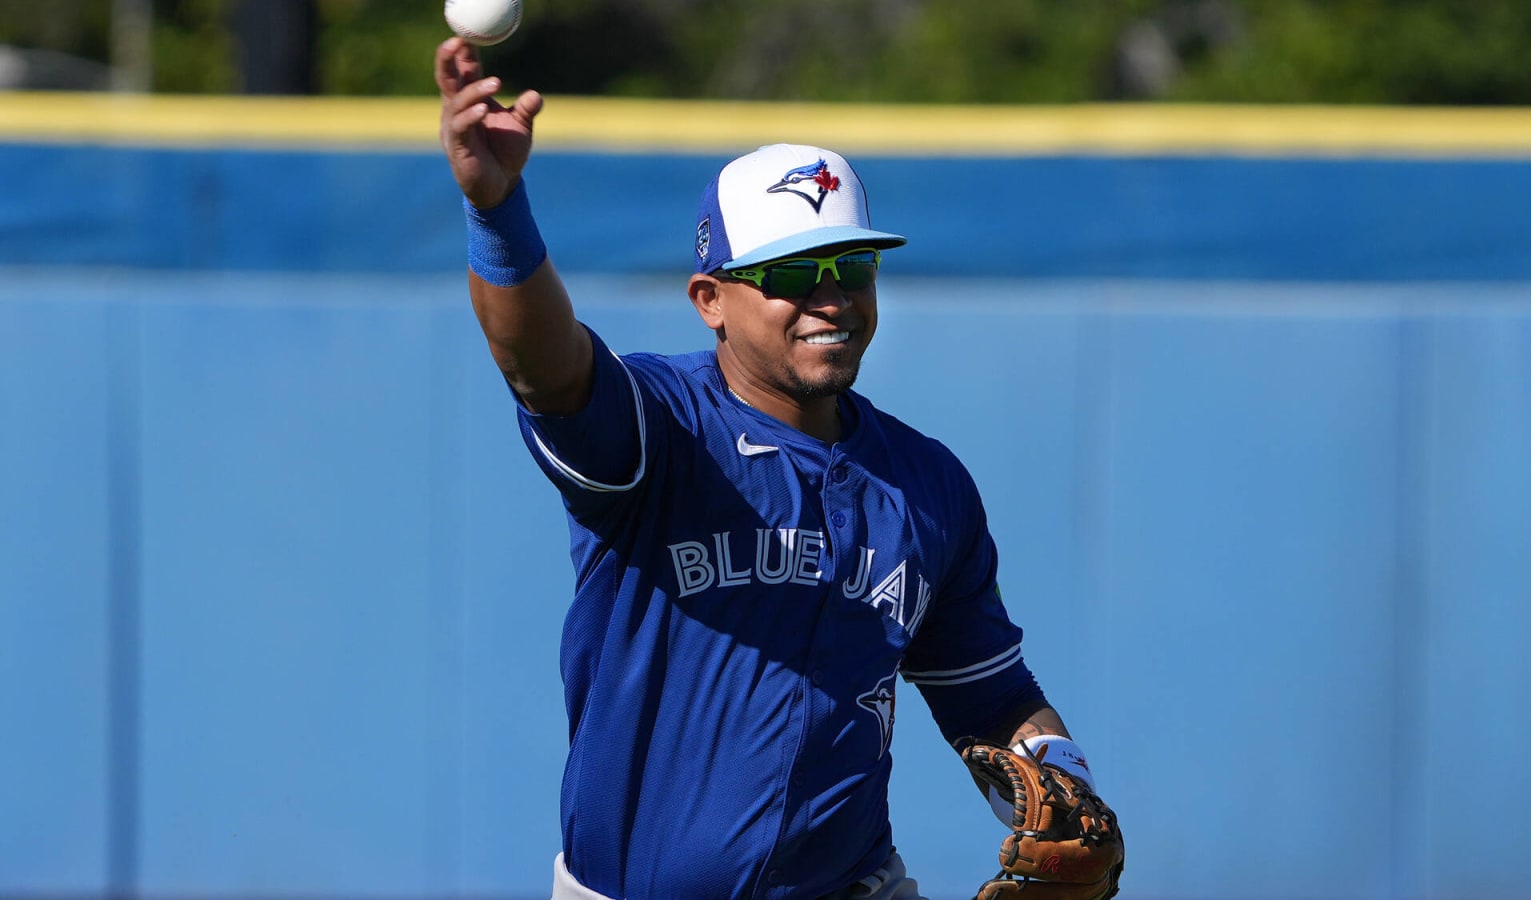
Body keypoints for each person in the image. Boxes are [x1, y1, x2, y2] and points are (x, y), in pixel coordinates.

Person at [434, 36, 1115, 900]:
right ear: (710, 300)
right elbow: (543, 365)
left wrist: (1069, 787)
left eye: (852, 265)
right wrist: (496, 211)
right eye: (794, 273)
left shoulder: (928, 485)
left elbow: (989, 695)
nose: (832, 296)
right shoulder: (659, 428)